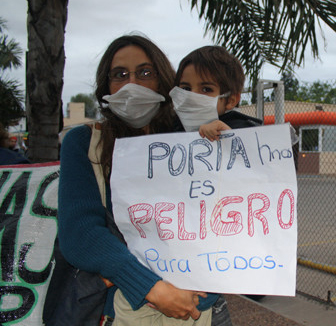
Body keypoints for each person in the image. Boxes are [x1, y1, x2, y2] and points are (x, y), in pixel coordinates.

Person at [57, 34, 217, 326]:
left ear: (163, 80)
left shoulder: (193, 141)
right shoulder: (82, 143)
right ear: (106, 85)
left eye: (145, 72)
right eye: (120, 75)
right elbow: (80, 232)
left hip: (195, 307)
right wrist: (150, 288)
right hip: (116, 313)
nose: (132, 84)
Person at [169, 45, 262, 142]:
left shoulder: (245, 130)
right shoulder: (172, 129)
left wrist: (229, 135)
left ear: (231, 100)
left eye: (206, 89)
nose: (192, 97)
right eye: (186, 89)